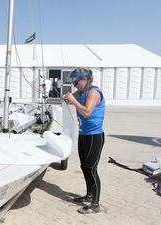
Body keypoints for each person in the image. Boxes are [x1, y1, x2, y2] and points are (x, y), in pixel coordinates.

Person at [62, 67, 105, 214]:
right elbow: (71, 98)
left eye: (75, 81)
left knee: (92, 169)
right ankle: (89, 195)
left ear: (85, 80)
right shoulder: (80, 92)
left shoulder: (93, 93)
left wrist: (73, 100)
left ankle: (95, 204)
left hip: (94, 136)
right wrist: (67, 98)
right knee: (84, 166)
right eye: (72, 81)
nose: (73, 84)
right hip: (83, 134)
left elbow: (86, 112)